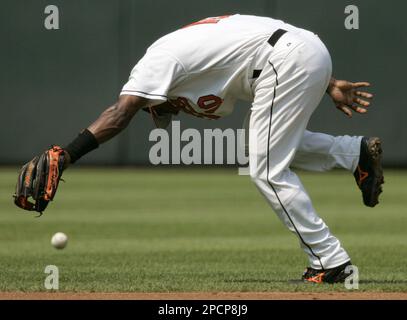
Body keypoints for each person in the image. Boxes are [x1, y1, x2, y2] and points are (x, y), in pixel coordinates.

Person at [25, 14, 386, 283]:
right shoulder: (185, 53)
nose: (164, 114)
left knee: (266, 170)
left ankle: (330, 261)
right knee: (263, 146)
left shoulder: (156, 63)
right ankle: (354, 154)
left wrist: (69, 154)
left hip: (286, 58)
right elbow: (256, 39)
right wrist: (327, 81)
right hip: (297, 52)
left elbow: (120, 113)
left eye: (159, 109)